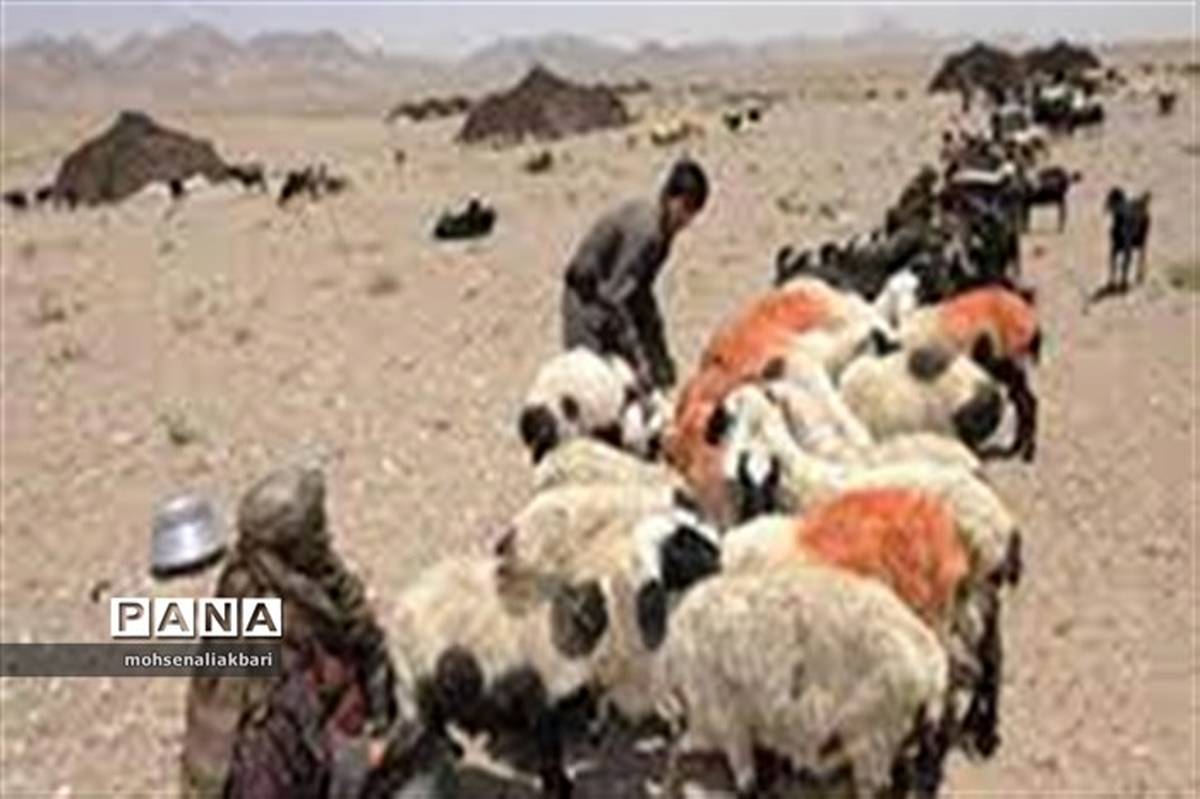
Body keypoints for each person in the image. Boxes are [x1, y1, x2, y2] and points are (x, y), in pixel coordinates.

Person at [181, 465, 399, 798]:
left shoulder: (292, 583)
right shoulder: (272, 654)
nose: (325, 538)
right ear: (293, 545)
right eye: (316, 530)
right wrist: (368, 756)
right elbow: (293, 752)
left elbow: (363, 637)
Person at [561, 158, 709, 390]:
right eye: (685, 208)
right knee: (591, 382)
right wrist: (638, 357)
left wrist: (657, 349)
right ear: (670, 198)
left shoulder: (663, 234)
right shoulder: (646, 231)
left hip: (608, 299)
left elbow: (642, 293)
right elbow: (616, 297)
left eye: (693, 213)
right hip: (586, 302)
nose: (687, 220)